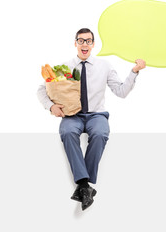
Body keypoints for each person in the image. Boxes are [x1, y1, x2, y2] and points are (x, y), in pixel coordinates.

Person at [37, 28, 146, 210]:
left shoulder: (105, 66)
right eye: (81, 41)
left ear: (93, 44)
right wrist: (51, 106)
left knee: (101, 133)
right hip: (73, 115)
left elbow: (121, 91)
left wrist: (134, 71)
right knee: (67, 132)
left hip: (96, 114)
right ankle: (86, 186)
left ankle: (82, 185)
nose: (84, 44)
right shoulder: (64, 67)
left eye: (88, 41)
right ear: (75, 44)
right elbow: (42, 89)